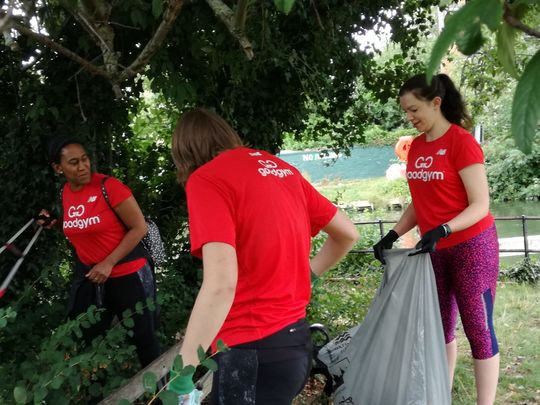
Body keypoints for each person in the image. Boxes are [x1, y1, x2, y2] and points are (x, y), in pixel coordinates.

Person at [168, 108, 359, 404]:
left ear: (185, 153)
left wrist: (183, 372)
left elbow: (221, 285)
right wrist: (308, 274)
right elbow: (347, 232)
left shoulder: (206, 179)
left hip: (252, 354)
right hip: (295, 345)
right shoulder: (281, 170)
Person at [373, 73, 499, 405]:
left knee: (479, 331)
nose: (410, 117)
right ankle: (439, 395)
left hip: (473, 247)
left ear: (436, 103)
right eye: (406, 112)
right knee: (440, 327)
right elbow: (422, 200)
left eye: (414, 109)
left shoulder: (461, 142)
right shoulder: (415, 148)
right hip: (434, 250)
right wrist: (393, 233)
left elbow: (480, 204)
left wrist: (444, 228)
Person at [39, 137, 160, 368]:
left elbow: (139, 227)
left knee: (145, 341)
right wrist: (55, 223)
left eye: (84, 159)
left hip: (127, 276)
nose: (83, 166)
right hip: (92, 279)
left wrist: (108, 263)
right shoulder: (65, 192)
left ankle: (162, 395)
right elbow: (83, 224)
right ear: (58, 168)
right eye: (74, 162)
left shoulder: (110, 187)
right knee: (89, 345)